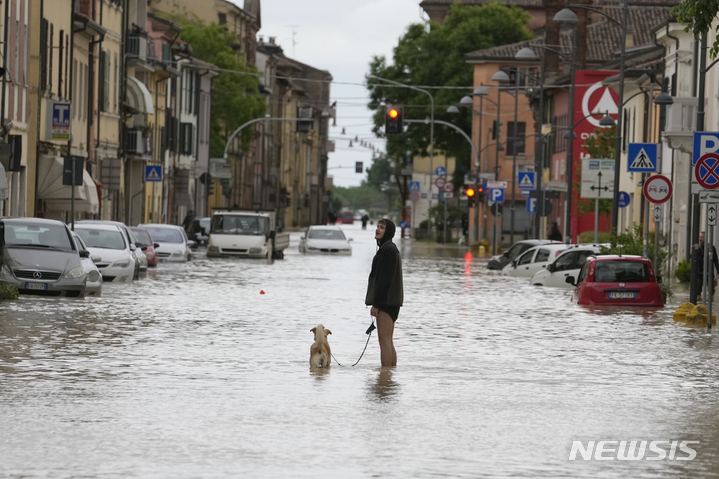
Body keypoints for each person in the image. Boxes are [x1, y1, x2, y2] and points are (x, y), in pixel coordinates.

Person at [365, 219, 403, 367]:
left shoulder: (387, 251)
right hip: (391, 301)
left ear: (388, 232)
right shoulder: (388, 248)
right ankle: (389, 377)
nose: (378, 229)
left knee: (384, 341)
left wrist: (376, 305)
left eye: (382, 228)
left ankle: (385, 380)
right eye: (377, 226)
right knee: (388, 340)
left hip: (386, 303)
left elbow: (384, 280)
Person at [696, 231, 719, 299]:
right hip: (699, 273)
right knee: (697, 292)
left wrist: (718, 271)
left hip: (709, 272)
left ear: (705, 238)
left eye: (702, 237)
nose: (700, 239)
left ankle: (710, 303)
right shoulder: (697, 247)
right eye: (699, 237)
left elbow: (715, 260)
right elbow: (692, 257)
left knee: (711, 292)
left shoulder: (711, 247)